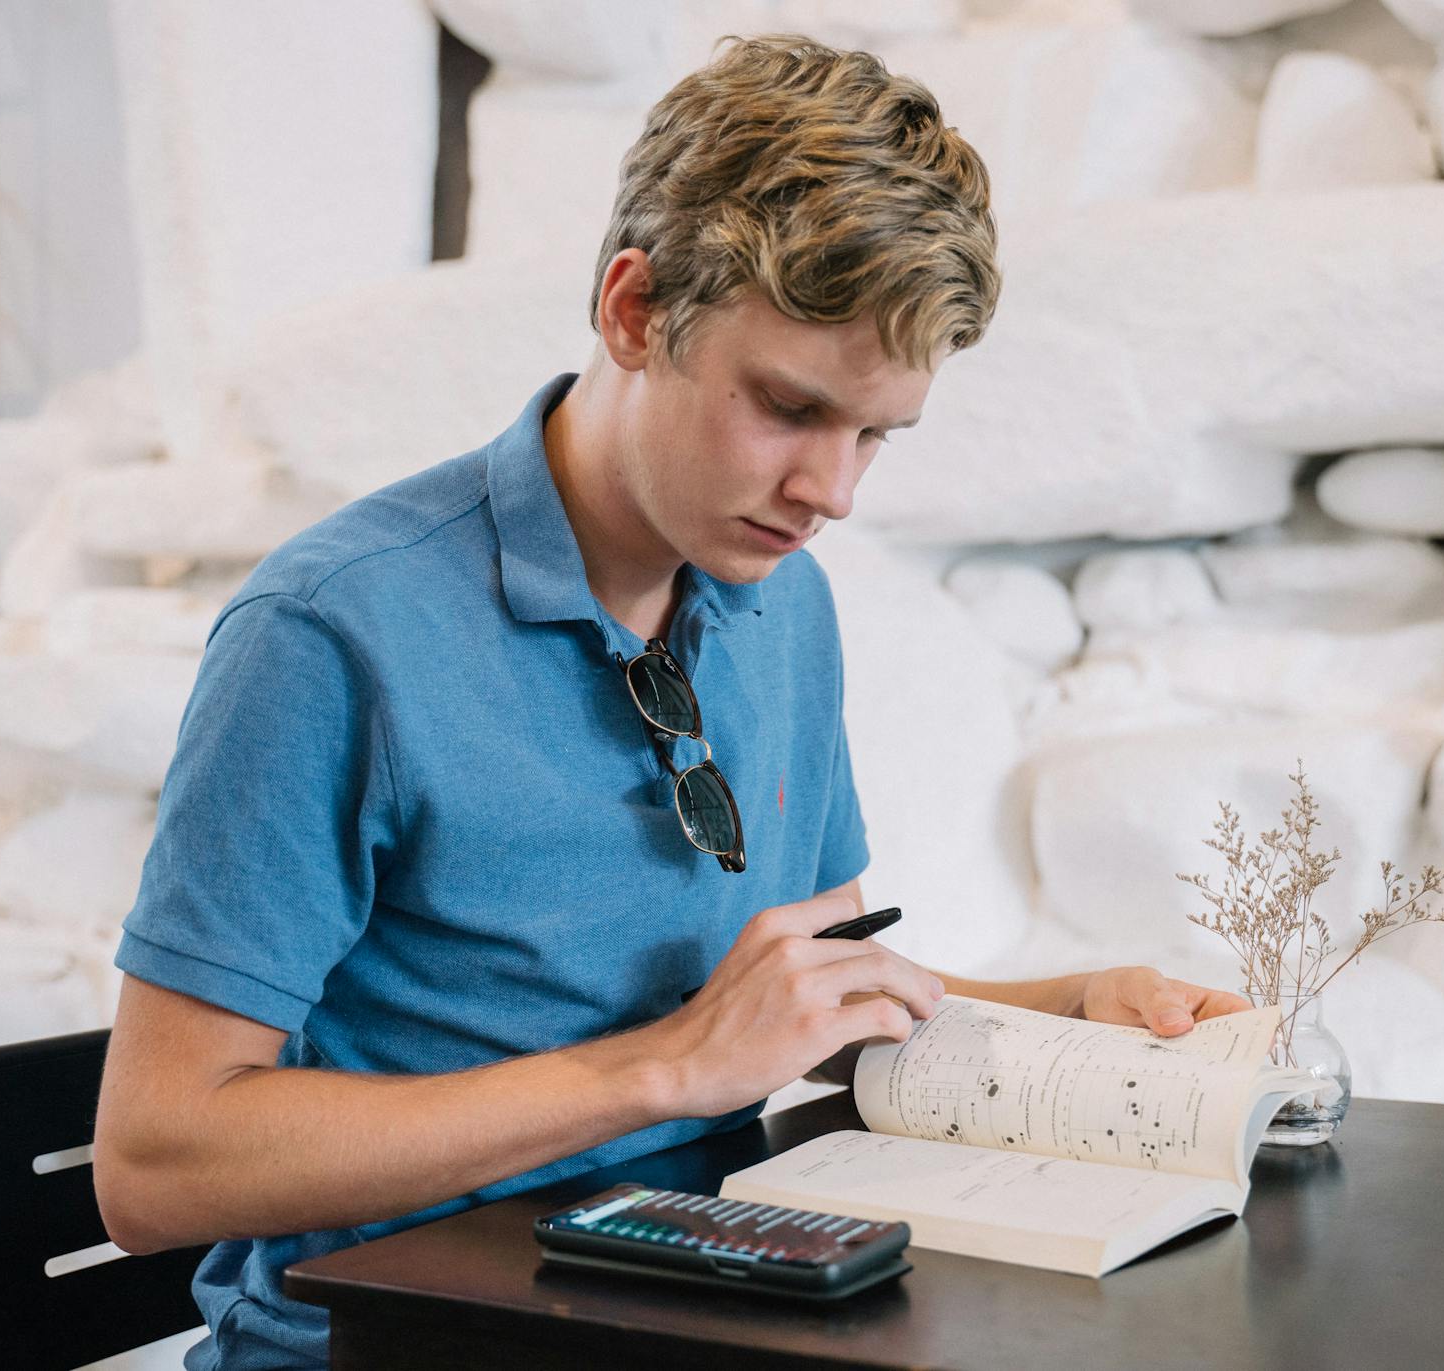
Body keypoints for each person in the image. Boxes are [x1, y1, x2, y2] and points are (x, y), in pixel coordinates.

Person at [93, 33, 1249, 1369]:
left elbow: (798, 1005)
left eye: (874, 433)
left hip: (707, 1313)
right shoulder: (331, 634)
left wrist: (1063, 1006)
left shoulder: (783, 601)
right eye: (788, 407)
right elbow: (155, 1168)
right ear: (634, 310)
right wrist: (663, 1071)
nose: (834, 492)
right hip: (400, 1345)